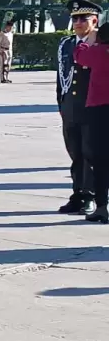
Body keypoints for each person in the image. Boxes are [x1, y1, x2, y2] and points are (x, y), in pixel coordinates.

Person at [56, 0, 102, 216]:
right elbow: (61, 77)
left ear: (95, 20)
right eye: (74, 18)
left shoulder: (101, 43)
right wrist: (62, 105)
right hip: (71, 108)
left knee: (90, 153)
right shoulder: (66, 44)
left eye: (83, 19)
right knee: (75, 153)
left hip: (92, 107)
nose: (78, 23)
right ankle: (78, 194)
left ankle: (90, 196)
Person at [73, 22, 109, 223]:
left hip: (99, 110)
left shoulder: (100, 52)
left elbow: (79, 54)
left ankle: (103, 206)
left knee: (100, 160)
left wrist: (90, 41)